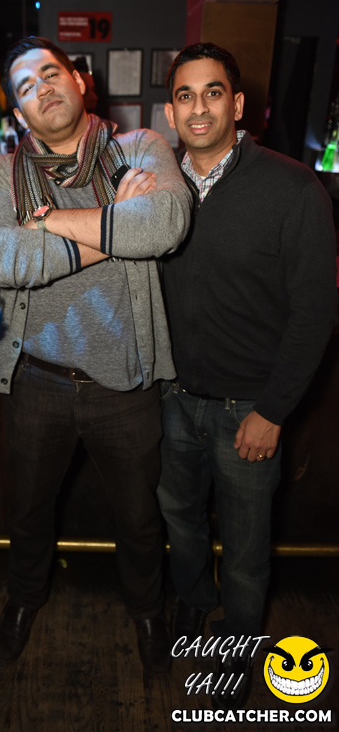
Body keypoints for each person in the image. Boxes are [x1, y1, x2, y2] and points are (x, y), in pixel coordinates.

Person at [0, 36, 192, 674]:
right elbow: (1, 258)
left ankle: (147, 611)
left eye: (51, 72)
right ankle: (24, 599)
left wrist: (48, 223)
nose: (42, 88)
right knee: (29, 513)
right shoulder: (0, 175)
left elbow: (165, 225)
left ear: (81, 81)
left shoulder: (140, 148)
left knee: (140, 517)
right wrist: (114, 225)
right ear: (18, 112)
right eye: (25, 86)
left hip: (126, 383)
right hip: (37, 381)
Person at [158, 42, 337, 710]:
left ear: (236, 105)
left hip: (249, 409)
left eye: (212, 92)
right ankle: (192, 600)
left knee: (246, 543)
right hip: (172, 398)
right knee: (180, 518)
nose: (198, 107)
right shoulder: (156, 184)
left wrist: (273, 410)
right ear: (170, 112)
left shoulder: (293, 187)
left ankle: (236, 640)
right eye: (185, 95)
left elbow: (316, 313)